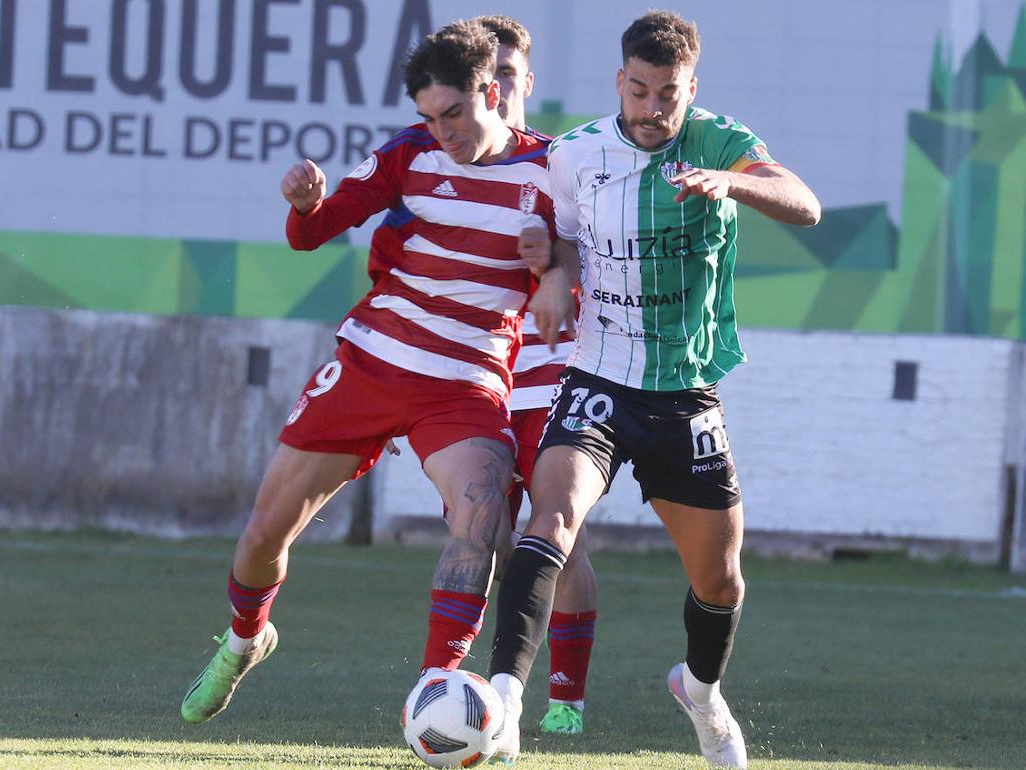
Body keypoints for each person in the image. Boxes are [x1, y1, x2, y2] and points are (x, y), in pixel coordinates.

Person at [179, 20, 556, 726]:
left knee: (481, 521)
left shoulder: (552, 175)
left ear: (492, 90)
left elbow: (571, 283)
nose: (441, 131)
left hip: (465, 384)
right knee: (264, 536)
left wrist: (556, 265)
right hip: (371, 364)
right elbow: (315, 231)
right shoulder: (408, 154)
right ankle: (244, 639)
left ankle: (435, 693)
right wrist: (303, 204)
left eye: (454, 114)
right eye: (428, 118)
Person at [484, 10, 821, 768]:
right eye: (638, 91)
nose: (652, 108)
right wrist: (556, 278)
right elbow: (566, 239)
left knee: (721, 578)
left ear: (690, 88)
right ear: (619, 84)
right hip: (598, 374)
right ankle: (504, 696)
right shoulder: (575, 155)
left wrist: (732, 183)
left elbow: (806, 204)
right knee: (553, 514)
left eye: (668, 93)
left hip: (686, 392)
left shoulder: (722, 141)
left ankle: (700, 692)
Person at [474, 14, 597, 738]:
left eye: (509, 76)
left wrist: (554, 259)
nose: (498, 89)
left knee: (558, 538)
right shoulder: (447, 162)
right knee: (482, 536)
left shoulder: (564, 165)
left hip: (555, 381)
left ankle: (564, 700)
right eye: (486, 78)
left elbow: (601, 255)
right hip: (478, 381)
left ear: (525, 81)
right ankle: (478, 690)